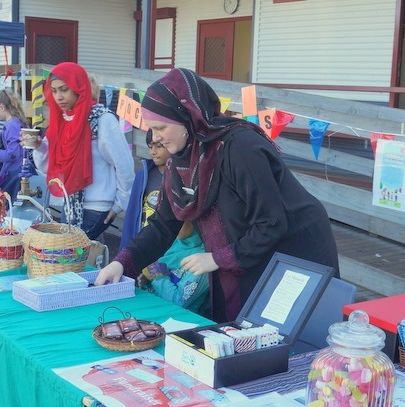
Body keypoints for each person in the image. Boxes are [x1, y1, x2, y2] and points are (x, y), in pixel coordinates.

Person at [96, 68, 339, 322]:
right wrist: (123, 263)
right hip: (245, 253)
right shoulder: (179, 163)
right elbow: (163, 225)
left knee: (283, 336)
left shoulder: (240, 147)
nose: (155, 138)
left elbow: (271, 223)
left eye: (160, 128)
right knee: (239, 330)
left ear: (186, 117)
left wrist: (218, 258)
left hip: (294, 251)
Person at [24, 62, 134, 240]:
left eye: (64, 89)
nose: (58, 96)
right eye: (54, 91)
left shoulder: (102, 119)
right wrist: (39, 146)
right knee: (77, 261)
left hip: (98, 207)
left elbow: (125, 165)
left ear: (78, 88)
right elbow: (47, 169)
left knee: (68, 255)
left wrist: (119, 204)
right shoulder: (62, 121)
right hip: (70, 205)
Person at [140, 221, 210, 314]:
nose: (174, 223)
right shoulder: (177, 243)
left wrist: (157, 275)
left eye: (182, 220)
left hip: (176, 319)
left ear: (197, 224)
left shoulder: (204, 259)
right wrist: (147, 281)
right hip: (150, 306)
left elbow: (178, 301)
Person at [118, 128, 168, 251]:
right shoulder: (144, 174)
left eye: (159, 146)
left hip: (168, 247)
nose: (153, 152)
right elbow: (132, 214)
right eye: (150, 147)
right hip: (142, 243)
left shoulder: (180, 178)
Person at [0, 89, 29, 199]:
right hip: (20, 170)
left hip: (13, 173)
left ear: (1, 107)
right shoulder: (18, 121)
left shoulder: (11, 125)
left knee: (2, 206)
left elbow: (12, 155)